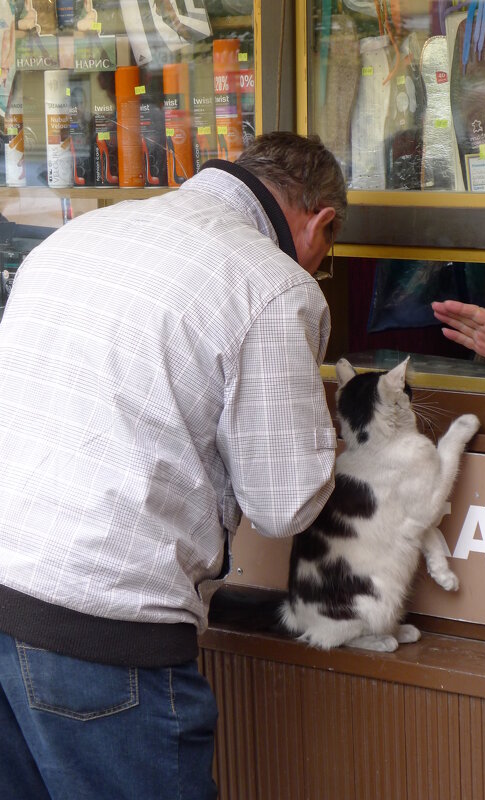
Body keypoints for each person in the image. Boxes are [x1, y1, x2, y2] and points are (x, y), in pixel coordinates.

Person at [0, 131, 347, 800]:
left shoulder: (80, 235)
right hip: (102, 628)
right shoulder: (273, 285)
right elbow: (284, 503)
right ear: (320, 222)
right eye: (326, 255)